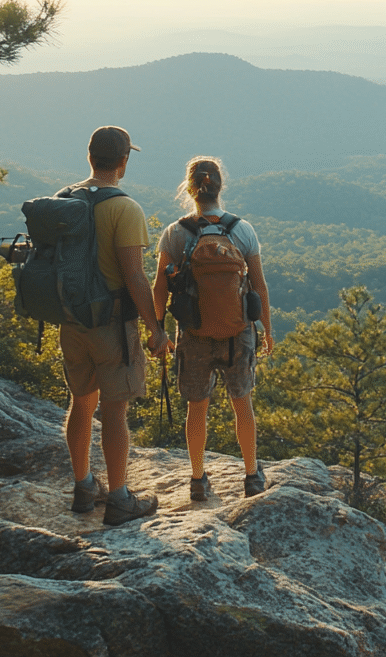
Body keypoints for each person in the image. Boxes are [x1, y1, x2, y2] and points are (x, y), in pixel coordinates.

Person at [63, 126, 172, 525]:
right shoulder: (125, 208)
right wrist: (156, 328)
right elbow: (135, 277)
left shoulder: (64, 200)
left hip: (72, 322)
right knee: (114, 409)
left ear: (90, 156)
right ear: (123, 161)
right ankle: (121, 498)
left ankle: (83, 486)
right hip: (110, 326)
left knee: (80, 402)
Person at [152, 156, 273, 501]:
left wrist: (157, 329)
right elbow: (260, 287)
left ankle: (197, 479)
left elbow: (159, 287)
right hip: (239, 334)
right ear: (220, 188)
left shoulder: (175, 232)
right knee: (242, 403)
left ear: (189, 190)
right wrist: (267, 330)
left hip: (194, 332)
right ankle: (251, 475)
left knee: (197, 407)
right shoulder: (242, 229)